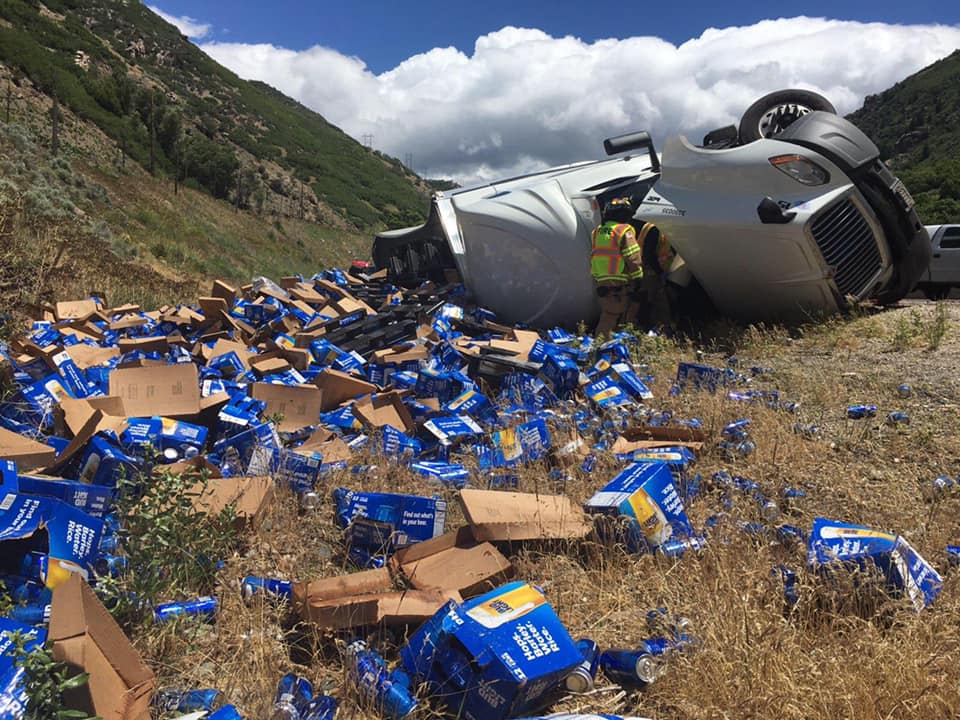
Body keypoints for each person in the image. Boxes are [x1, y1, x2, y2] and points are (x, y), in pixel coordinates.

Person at [590, 197, 643, 335]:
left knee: (610, 312)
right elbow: (632, 256)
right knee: (613, 315)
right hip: (618, 280)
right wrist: (638, 277)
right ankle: (602, 346)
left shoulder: (597, 232)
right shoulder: (624, 231)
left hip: (601, 279)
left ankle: (612, 345)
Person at [637, 220, 676, 329]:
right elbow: (649, 254)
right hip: (651, 271)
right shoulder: (655, 230)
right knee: (653, 301)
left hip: (652, 270)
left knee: (655, 300)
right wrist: (660, 272)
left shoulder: (651, 226)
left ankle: (659, 327)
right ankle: (660, 328)